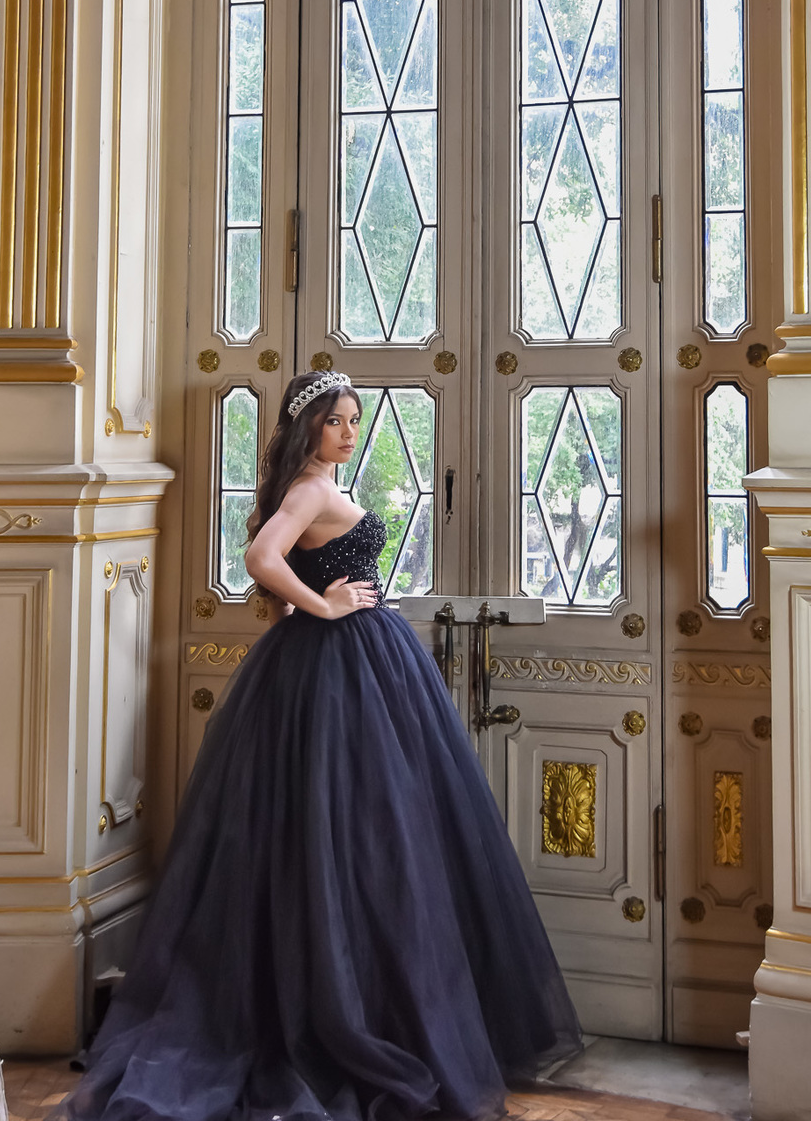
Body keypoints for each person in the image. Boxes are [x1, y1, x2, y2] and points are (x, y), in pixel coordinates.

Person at [63, 369, 581, 1121]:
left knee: (372, 837)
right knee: (348, 835)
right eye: (336, 421)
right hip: (337, 668)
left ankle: (376, 1004)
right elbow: (261, 559)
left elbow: (286, 569)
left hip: (360, 667)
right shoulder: (307, 489)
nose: (347, 433)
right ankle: (340, 1012)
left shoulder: (320, 484)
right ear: (307, 427)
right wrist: (324, 607)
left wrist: (319, 611)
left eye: (353, 421)